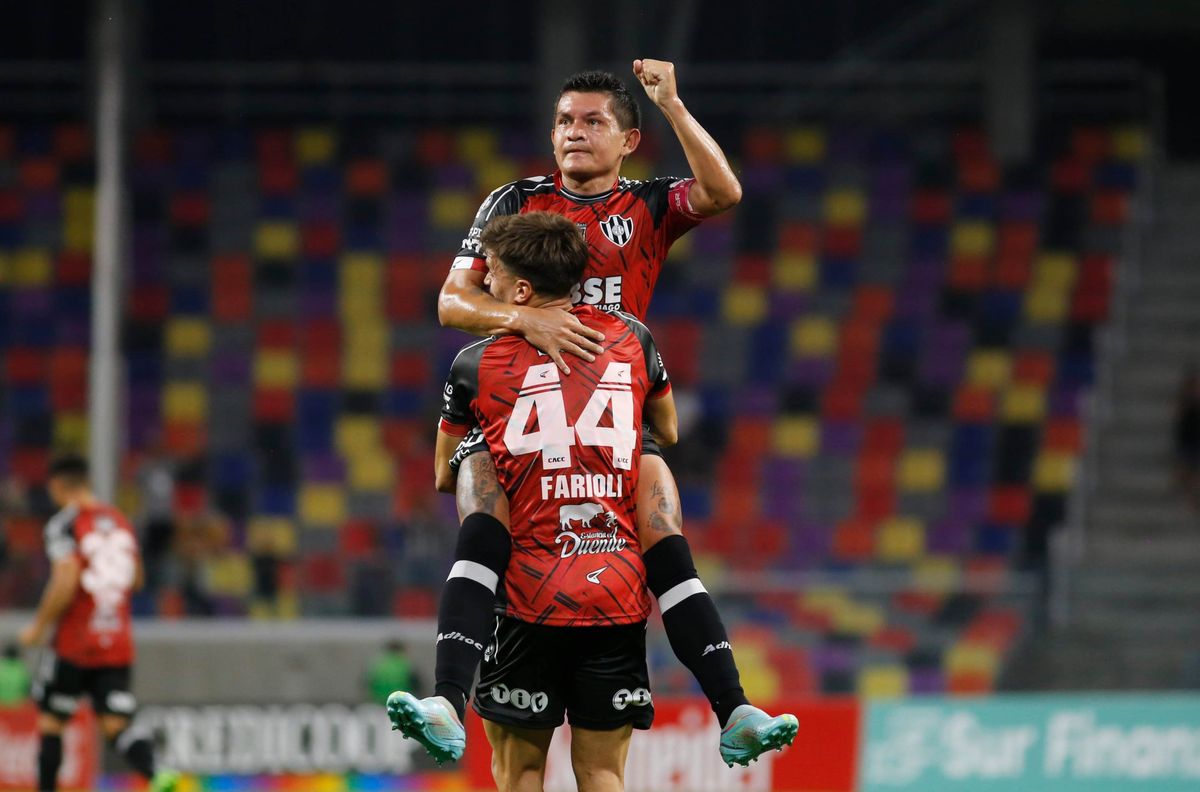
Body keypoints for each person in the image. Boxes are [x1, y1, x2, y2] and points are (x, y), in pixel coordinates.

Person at [427, 59, 797, 767]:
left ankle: (735, 707)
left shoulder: (648, 206)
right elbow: (451, 301)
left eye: (593, 121)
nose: (574, 132)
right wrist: (524, 320)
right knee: (483, 513)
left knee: (663, 531)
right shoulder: (514, 201)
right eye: (564, 120)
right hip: (523, 404)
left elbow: (724, 192)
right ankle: (448, 696)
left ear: (628, 141)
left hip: (611, 409)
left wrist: (674, 106)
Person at [393, 211, 700, 791]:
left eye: (493, 272)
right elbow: (667, 430)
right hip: (612, 591)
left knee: (520, 772)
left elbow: (441, 474)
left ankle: (446, 697)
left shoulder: (477, 363)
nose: (485, 281)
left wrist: (490, 452)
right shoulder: (630, 339)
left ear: (521, 291)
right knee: (603, 772)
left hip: (525, 596)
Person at [18, 455, 178, 792]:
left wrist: (39, 627)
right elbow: (137, 579)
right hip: (115, 642)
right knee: (116, 724)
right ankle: (156, 772)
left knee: (52, 721)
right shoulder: (120, 521)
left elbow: (65, 580)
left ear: (56, 486)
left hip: (73, 643)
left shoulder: (65, 524)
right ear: (87, 483)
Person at [366, 640, 417, 705]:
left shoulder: (378, 664)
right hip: (399, 701)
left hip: (379, 701)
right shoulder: (405, 665)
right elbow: (415, 684)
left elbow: (369, 683)